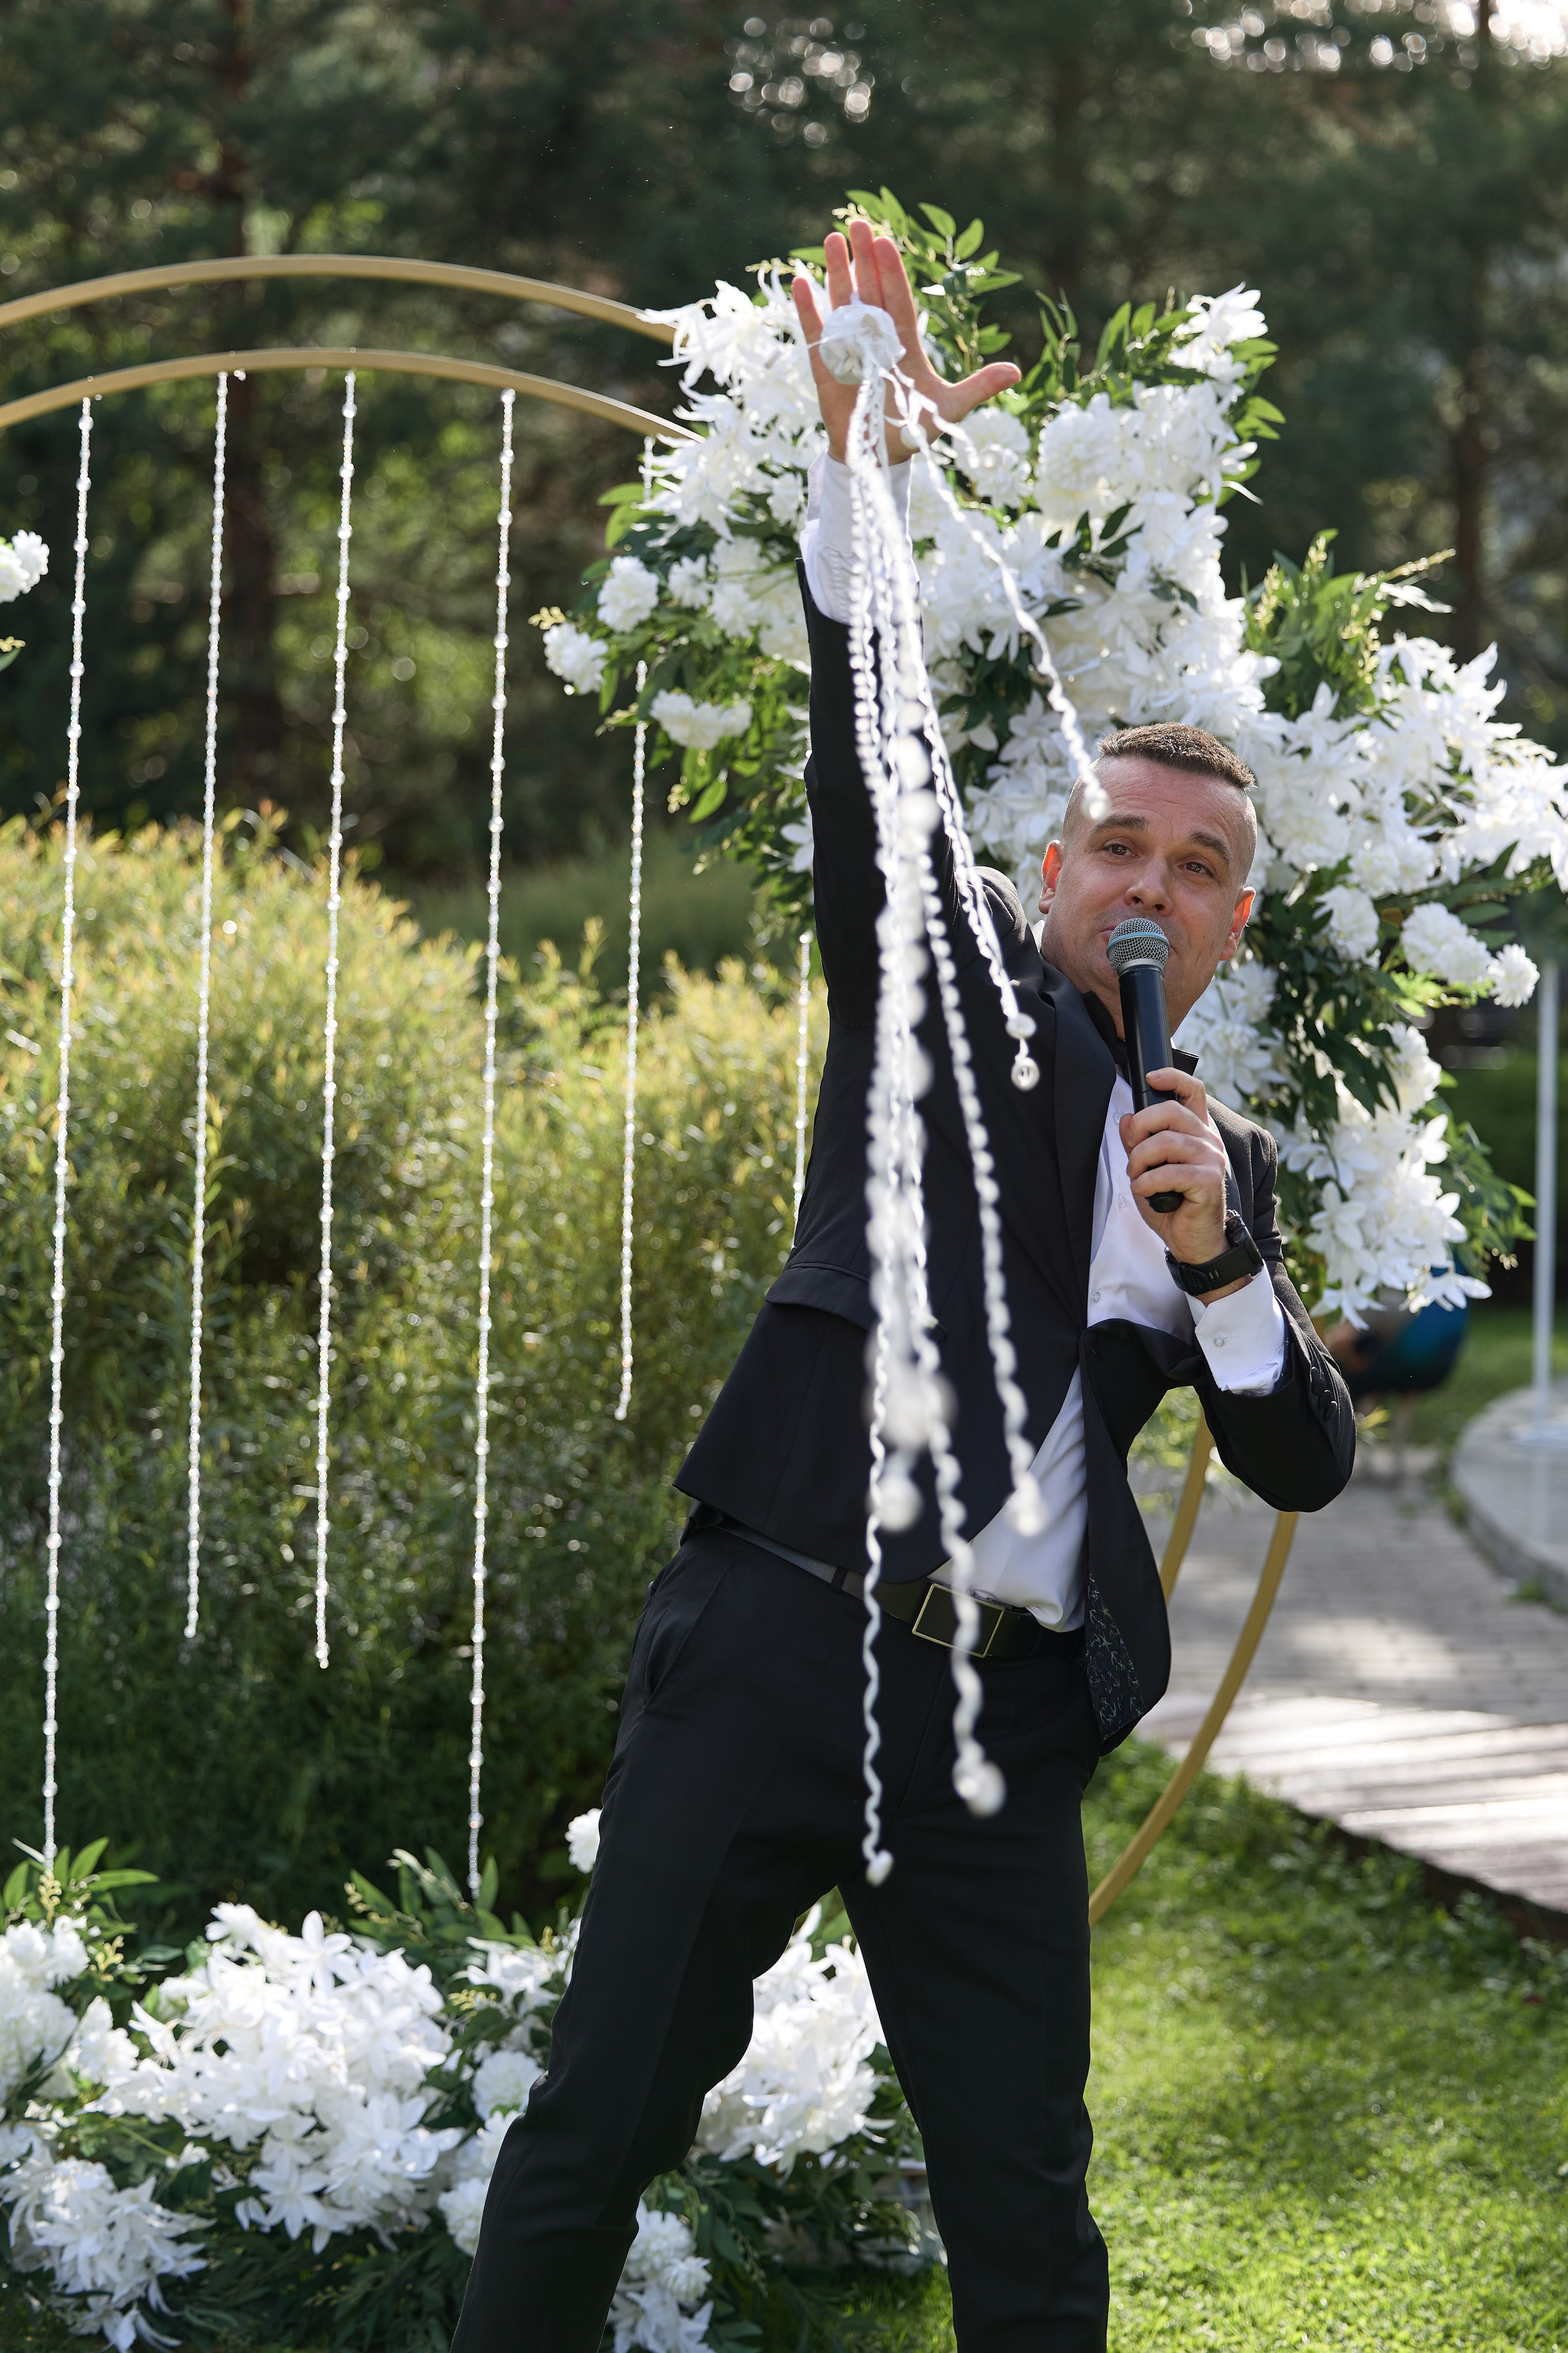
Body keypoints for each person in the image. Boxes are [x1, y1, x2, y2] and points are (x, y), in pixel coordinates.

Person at [450, 221, 1355, 2353]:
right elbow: (876, 789)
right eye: (1119, 846)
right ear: (1057, 871)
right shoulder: (957, 991)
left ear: (1233, 922)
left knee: (1028, 2199)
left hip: (998, 1716)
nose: (1152, 883)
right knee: (598, 2124)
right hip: (777, 1632)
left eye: (1198, 867)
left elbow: (1299, 1447)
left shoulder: (1206, 1154)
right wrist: (854, 471)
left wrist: (1221, 1257)